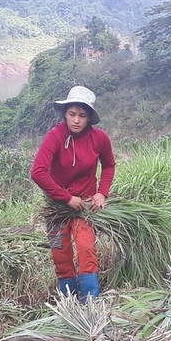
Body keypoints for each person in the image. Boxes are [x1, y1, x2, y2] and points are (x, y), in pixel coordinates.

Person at [31, 86, 116, 302]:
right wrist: (66, 197)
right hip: (58, 207)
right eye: (72, 114)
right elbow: (38, 172)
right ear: (65, 114)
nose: (76, 120)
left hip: (85, 206)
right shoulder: (55, 136)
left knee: (87, 248)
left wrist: (102, 194)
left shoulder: (100, 139)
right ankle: (67, 298)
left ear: (89, 118)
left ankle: (90, 299)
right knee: (60, 253)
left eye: (82, 115)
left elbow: (108, 166)